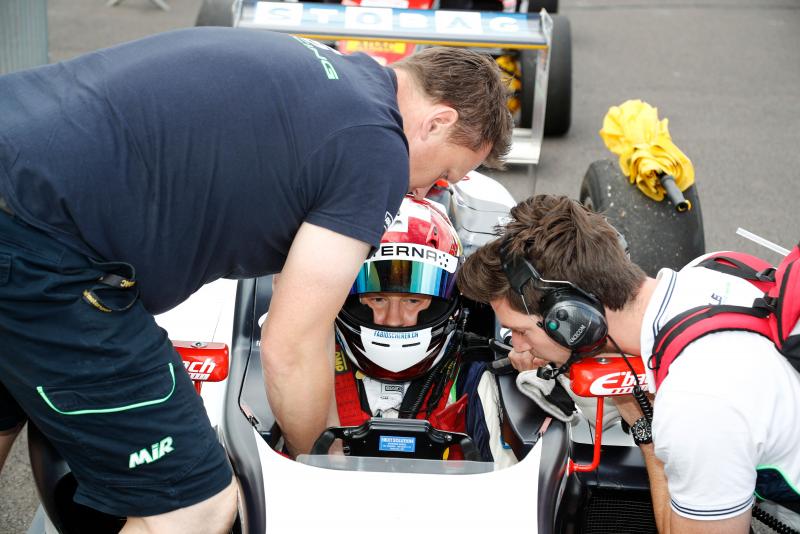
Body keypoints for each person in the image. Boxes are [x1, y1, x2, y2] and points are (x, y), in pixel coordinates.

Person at [0, 27, 512, 532]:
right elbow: (290, 346)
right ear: (437, 122)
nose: (423, 191)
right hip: (39, 239)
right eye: (443, 174)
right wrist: (325, 461)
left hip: (17, 144)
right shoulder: (377, 147)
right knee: (194, 507)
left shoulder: (322, 70)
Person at [456, 194, 800, 534]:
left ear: (573, 318)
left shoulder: (697, 403)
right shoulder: (711, 269)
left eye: (521, 331)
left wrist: (644, 427)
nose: (516, 346)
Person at [333, 195, 517, 466]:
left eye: (413, 300)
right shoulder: (307, 365)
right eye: (377, 299)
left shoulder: (479, 379)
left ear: (447, 300)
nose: (394, 320)